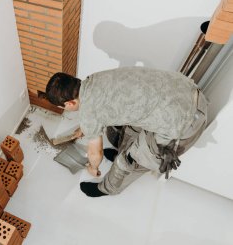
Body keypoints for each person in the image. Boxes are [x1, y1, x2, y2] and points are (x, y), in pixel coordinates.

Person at [45, 66, 208, 197]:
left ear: (70, 104)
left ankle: (108, 189)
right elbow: (101, 107)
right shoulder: (95, 79)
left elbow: (96, 154)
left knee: (130, 159)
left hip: (185, 123)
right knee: (131, 129)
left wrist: (93, 168)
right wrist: (86, 127)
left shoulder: (89, 113)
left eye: (63, 107)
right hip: (189, 92)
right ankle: (119, 153)